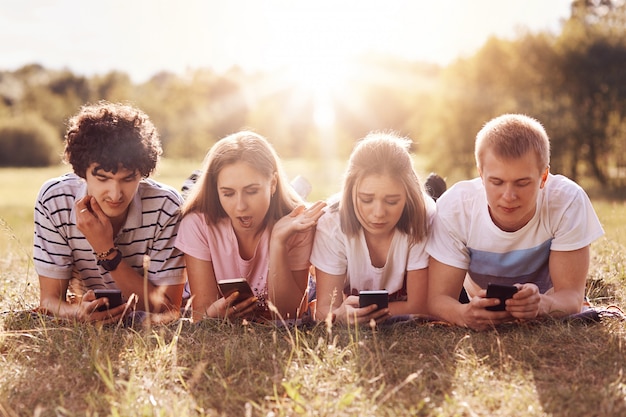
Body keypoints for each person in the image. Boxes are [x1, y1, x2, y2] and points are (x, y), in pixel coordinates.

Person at [427, 114, 605, 331]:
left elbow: (572, 297)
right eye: (497, 182)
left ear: (544, 177)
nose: (508, 196)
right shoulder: (455, 207)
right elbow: (438, 299)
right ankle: (430, 196)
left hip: (545, 296)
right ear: (481, 175)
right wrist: (464, 314)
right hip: (473, 293)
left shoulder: (568, 200)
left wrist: (544, 304)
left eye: (522, 183)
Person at [33, 101, 186, 324]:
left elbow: (168, 308)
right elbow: (49, 301)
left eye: (128, 178)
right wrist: (77, 313)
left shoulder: (166, 206)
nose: (115, 194)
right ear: (82, 172)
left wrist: (106, 251)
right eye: (102, 178)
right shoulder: (55, 200)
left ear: (142, 173)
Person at [175, 131, 326, 322]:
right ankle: (293, 189)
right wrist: (214, 313)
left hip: (284, 221)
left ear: (272, 183)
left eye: (252, 191)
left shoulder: (297, 227)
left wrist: (278, 241)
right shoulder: (198, 224)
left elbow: (290, 314)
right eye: (228, 193)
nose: (241, 206)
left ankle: (295, 191)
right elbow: (201, 313)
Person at [310, 132, 435, 325]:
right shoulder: (331, 222)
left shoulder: (422, 216)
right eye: (366, 199)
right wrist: (340, 316)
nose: (378, 213)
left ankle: (435, 189)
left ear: (408, 196)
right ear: (350, 192)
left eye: (392, 201)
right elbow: (325, 309)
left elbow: (419, 306)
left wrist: (363, 313)